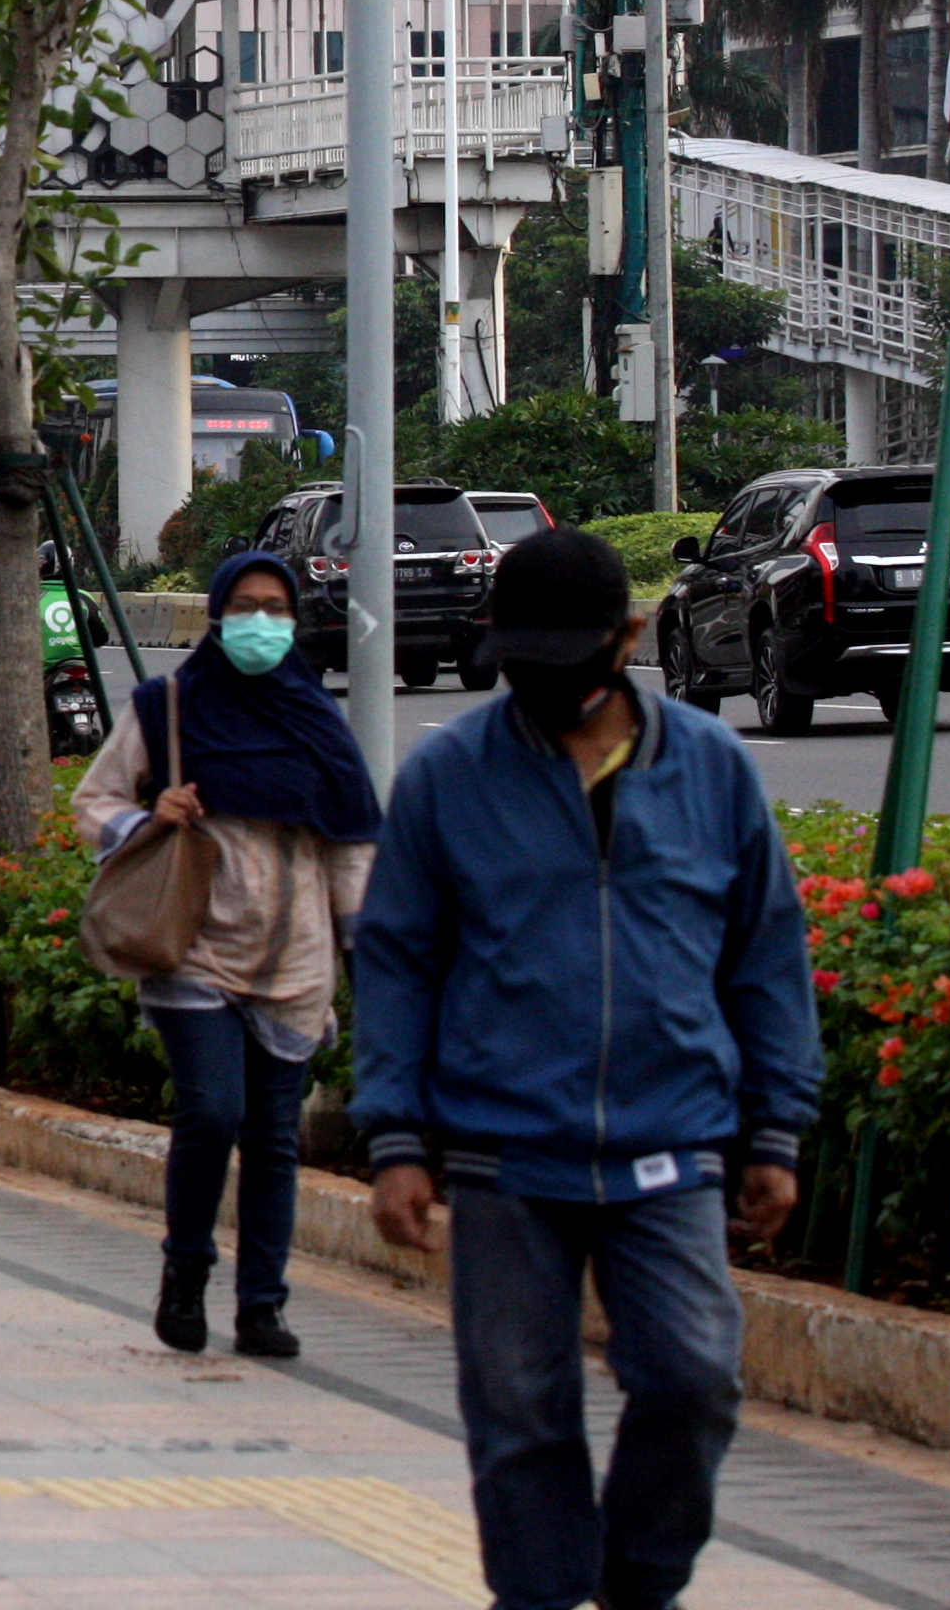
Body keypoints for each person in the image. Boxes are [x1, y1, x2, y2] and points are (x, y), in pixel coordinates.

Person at [355, 528, 822, 1610]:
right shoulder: (447, 779)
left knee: (695, 1382)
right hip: (502, 1152)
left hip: (673, 1143)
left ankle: (639, 1585)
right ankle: (538, 1596)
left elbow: (766, 952)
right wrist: (394, 1138)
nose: (545, 680)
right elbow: (397, 960)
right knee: (518, 1407)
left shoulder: (710, 772)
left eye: (571, 655)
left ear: (630, 638)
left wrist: (774, 1130)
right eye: (523, 657)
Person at [71, 549, 381, 1360]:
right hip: (195, 948)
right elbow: (94, 801)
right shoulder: (171, 705)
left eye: (278, 608)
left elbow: (350, 845)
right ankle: (186, 1271)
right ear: (216, 613)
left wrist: (363, 958)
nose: (262, 622)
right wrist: (151, 818)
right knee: (211, 1113)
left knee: (275, 1139)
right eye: (246, 605)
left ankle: (263, 1305)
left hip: (297, 960)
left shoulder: (319, 722)